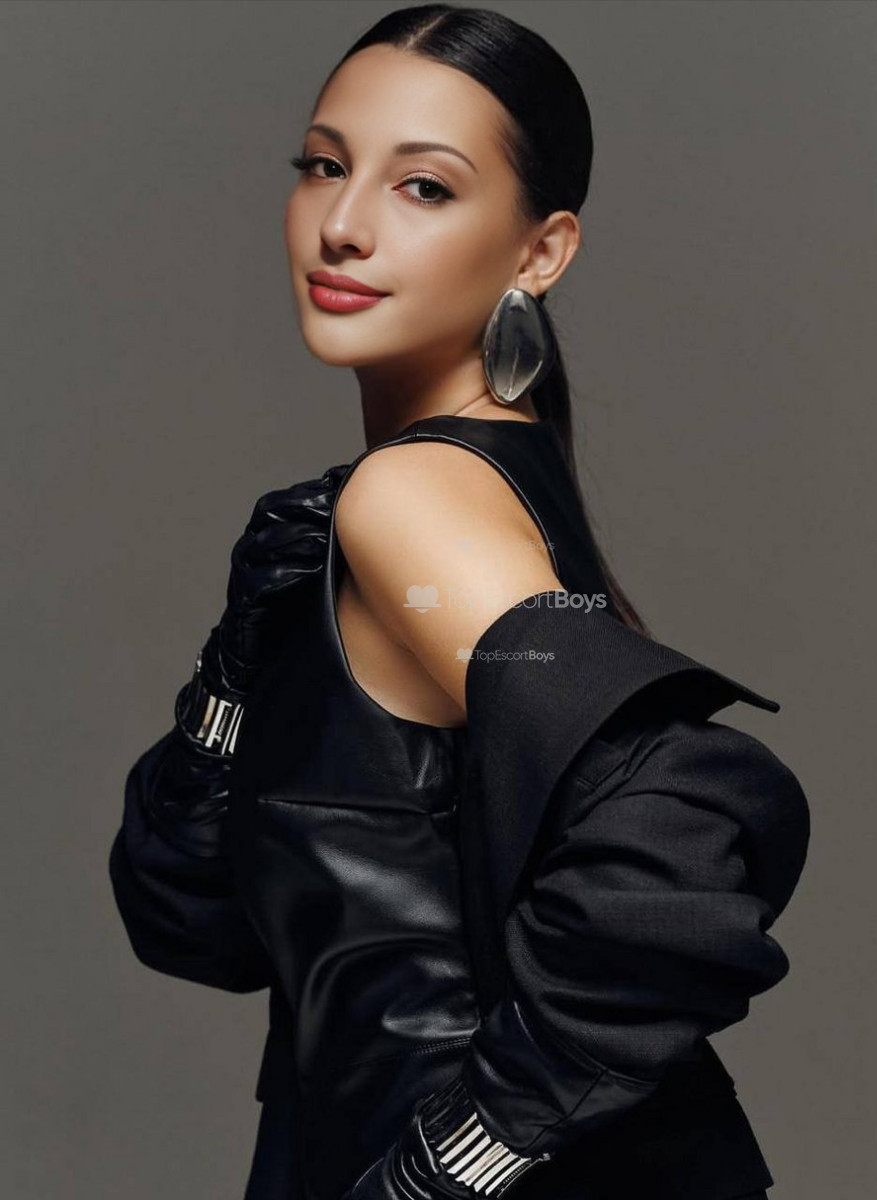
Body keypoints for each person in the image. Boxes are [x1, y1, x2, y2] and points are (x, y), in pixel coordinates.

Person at [108, 6, 810, 1199]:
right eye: (323, 166)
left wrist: (452, 1166)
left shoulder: (413, 497)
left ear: (540, 252)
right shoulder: (478, 480)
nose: (342, 223)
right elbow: (194, 921)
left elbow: (676, 832)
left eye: (423, 187)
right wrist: (235, 675)